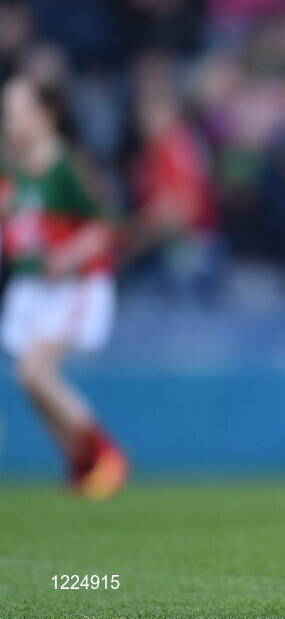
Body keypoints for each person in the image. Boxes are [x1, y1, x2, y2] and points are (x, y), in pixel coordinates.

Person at [0, 72, 128, 499]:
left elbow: (109, 222)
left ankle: (104, 454)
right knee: (30, 378)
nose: (10, 119)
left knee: (33, 370)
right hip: (34, 287)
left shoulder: (67, 165)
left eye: (19, 110)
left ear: (47, 114)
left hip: (75, 285)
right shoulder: (12, 169)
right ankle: (80, 464)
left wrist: (70, 254)